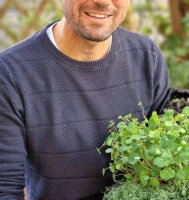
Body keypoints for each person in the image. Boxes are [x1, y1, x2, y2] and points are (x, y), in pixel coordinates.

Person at [0, 0, 169, 199]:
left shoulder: (146, 58)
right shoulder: (11, 74)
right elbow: (5, 188)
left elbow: (168, 166)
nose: (103, 2)